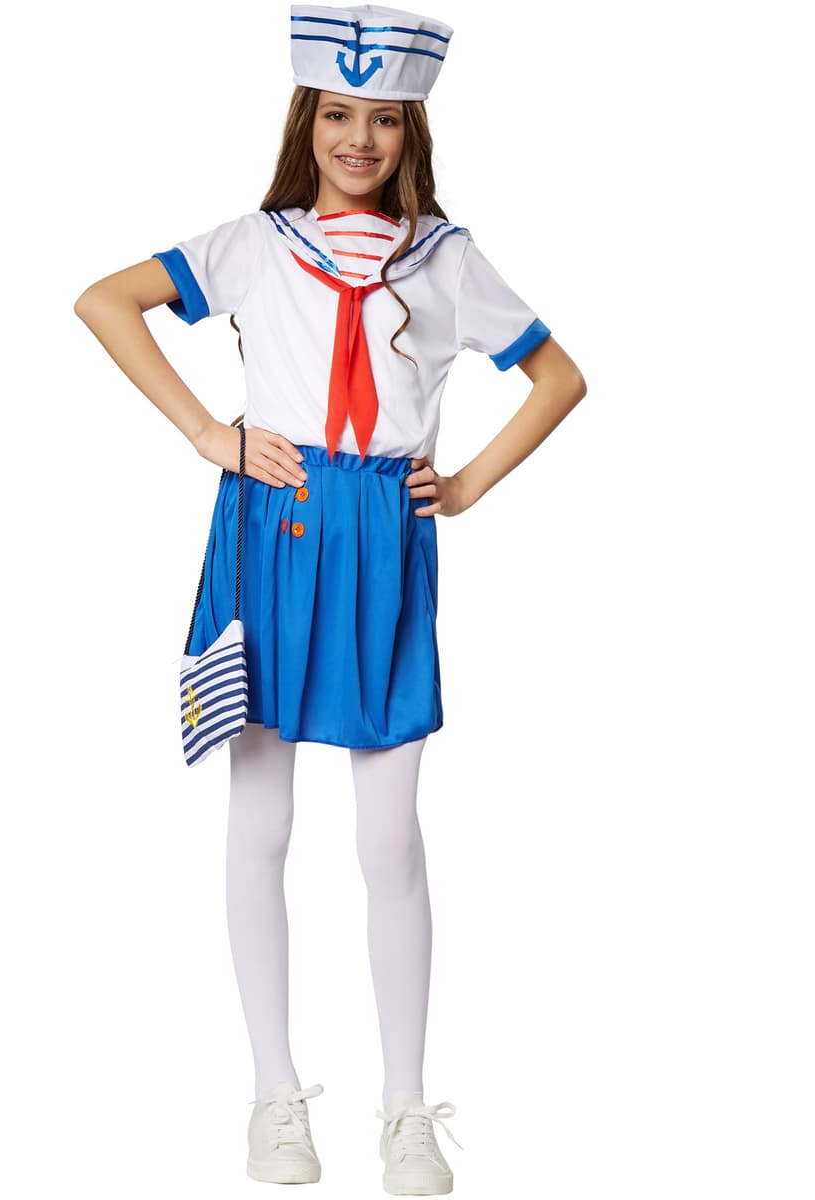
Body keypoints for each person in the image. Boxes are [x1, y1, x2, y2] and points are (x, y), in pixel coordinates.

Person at [74, 4, 586, 1193]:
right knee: (260, 819)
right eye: (340, 114)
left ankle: (405, 1107)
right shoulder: (258, 244)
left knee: (389, 831)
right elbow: (104, 300)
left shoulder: (444, 259)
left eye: (385, 120)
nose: (360, 139)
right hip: (270, 527)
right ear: (307, 118)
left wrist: (465, 484)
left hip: (383, 540)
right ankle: (274, 1094)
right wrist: (209, 432)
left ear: (414, 132)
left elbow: (559, 378)